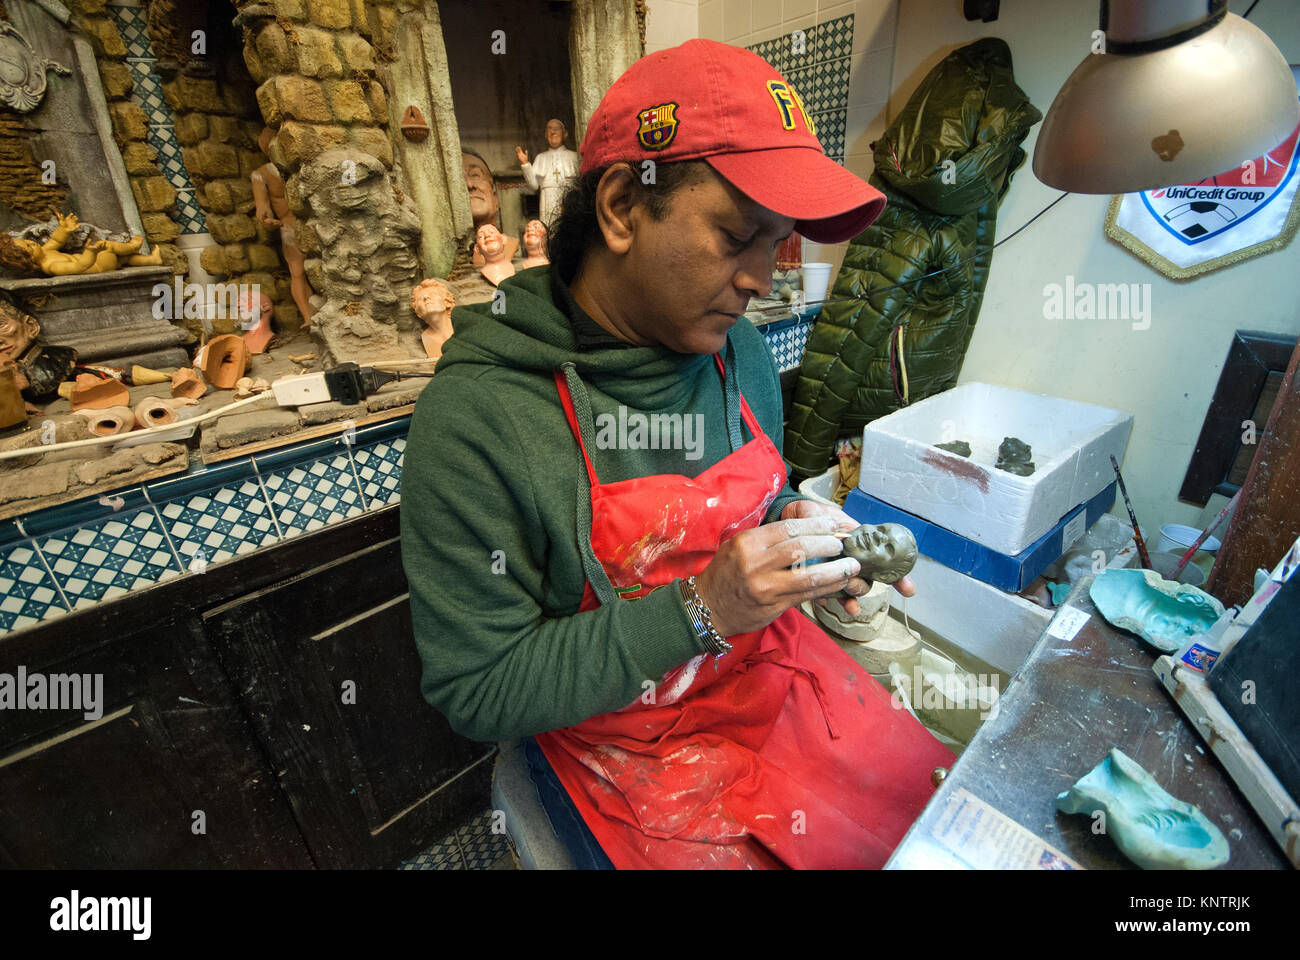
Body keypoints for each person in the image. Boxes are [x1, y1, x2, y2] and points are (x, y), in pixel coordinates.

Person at [402, 38, 954, 870]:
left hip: (766, 680)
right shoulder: (480, 421)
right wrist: (700, 610)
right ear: (623, 206)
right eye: (738, 238)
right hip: (624, 743)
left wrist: (791, 533)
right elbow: (479, 689)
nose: (763, 280)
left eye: (781, 244)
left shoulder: (740, 354)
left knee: (939, 831)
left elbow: (742, 513)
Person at [516, 118, 581, 226]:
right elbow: (534, 186)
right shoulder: (541, 158)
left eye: (556, 129)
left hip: (569, 199)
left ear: (565, 134)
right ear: (546, 135)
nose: (553, 132)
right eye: (549, 129)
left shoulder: (574, 156)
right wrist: (525, 163)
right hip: (547, 200)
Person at [462, 148, 519, 264]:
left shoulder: (509, 245)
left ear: (495, 198)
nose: (469, 184)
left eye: (475, 175)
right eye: (459, 179)